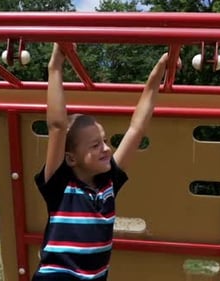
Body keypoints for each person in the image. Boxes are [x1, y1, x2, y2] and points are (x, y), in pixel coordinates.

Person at [32, 43, 172, 281]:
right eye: (95, 145)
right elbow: (57, 126)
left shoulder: (109, 183)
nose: (107, 148)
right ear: (71, 158)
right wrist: (55, 66)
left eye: (105, 140)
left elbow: (137, 128)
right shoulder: (60, 186)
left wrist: (157, 74)